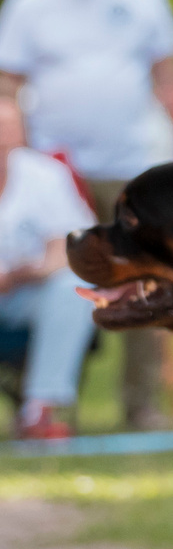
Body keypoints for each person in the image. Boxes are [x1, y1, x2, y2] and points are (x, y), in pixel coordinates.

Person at [0, 0, 173, 431]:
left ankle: (143, 407)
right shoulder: (30, 2)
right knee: (59, 271)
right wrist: (16, 147)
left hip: (132, 163)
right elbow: (9, 84)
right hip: (59, 165)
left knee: (146, 277)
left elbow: (167, 75)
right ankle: (46, 406)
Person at [0, 98, 97, 440]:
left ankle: (39, 411)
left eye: (8, 127)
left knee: (72, 286)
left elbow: (74, 244)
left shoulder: (44, 174)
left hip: (24, 293)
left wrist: (37, 269)